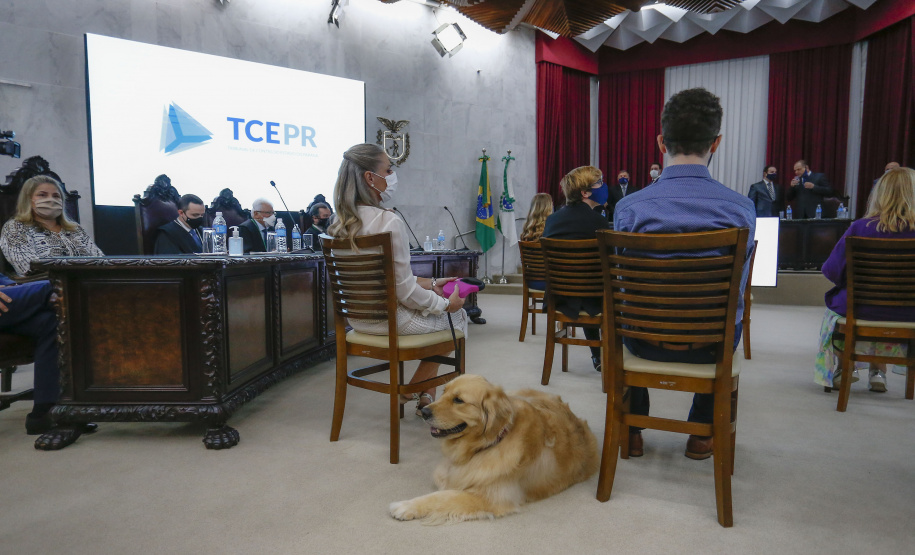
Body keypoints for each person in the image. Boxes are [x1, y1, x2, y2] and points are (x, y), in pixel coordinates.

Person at [614, 87, 756, 460]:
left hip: (642, 340)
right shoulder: (741, 210)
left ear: (661, 141)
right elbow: (736, 295)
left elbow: (623, 288)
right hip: (711, 345)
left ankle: (632, 429)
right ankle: (702, 434)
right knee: (729, 318)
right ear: (717, 142)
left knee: (628, 314)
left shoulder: (629, 209)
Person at [327, 143, 465, 415]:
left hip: (358, 320)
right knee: (459, 317)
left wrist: (431, 283)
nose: (392, 176)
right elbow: (403, 293)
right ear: (370, 177)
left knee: (437, 306)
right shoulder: (388, 221)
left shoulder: (338, 222)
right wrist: (445, 305)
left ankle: (425, 392)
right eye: (388, 170)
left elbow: (389, 280)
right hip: (392, 321)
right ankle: (416, 389)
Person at [815, 167, 915, 393]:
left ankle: (845, 368)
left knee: (837, 310)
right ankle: (878, 372)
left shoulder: (860, 228)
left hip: (861, 309)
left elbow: (831, 271)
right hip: (910, 313)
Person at [542, 165, 612, 372]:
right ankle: (614, 355)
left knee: (586, 287)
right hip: (594, 298)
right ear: (585, 192)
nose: (604, 186)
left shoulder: (552, 219)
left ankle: (596, 356)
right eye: (599, 183)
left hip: (560, 296)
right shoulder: (599, 222)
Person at [0, 175, 104, 276]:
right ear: (28, 200)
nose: (51, 200)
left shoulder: (76, 228)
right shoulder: (15, 227)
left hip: (90, 285)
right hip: (47, 287)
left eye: (56, 196)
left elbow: (101, 260)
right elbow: (27, 268)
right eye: (42, 195)